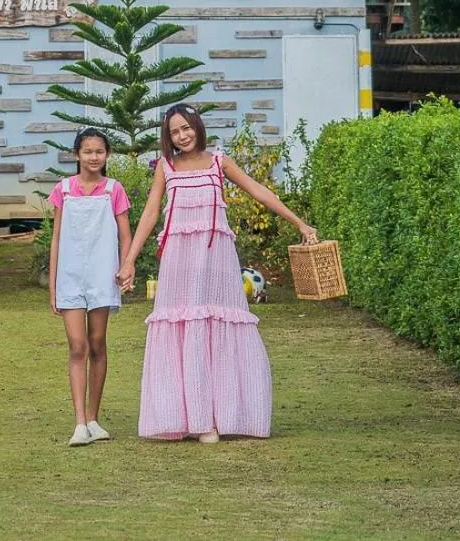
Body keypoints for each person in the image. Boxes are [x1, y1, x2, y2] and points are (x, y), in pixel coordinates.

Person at [116, 104, 318, 443]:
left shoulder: (219, 161)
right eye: (175, 132)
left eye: (186, 128)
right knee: (185, 326)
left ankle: (221, 416)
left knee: (218, 324)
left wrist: (299, 223)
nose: (182, 136)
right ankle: (194, 420)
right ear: (168, 138)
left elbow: (259, 191)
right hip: (179, 261)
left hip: (216, 260)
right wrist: (129, 260)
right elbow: (150, 213)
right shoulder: (166, 167)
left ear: (197, 126)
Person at [48, 127, 132, 446]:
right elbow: (57, 238)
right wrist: (53, 285)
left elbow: (125, 235)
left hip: (102, 275)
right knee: (77, 345)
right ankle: (79, 422)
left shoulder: (113, 190)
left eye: (99, 151)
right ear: (77, 154)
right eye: (88, 151)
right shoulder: (64, 190)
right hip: (70, 276)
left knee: (97, 343)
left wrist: (126, 266)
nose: (94, 157)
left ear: (107, 155)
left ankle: (94, 419)